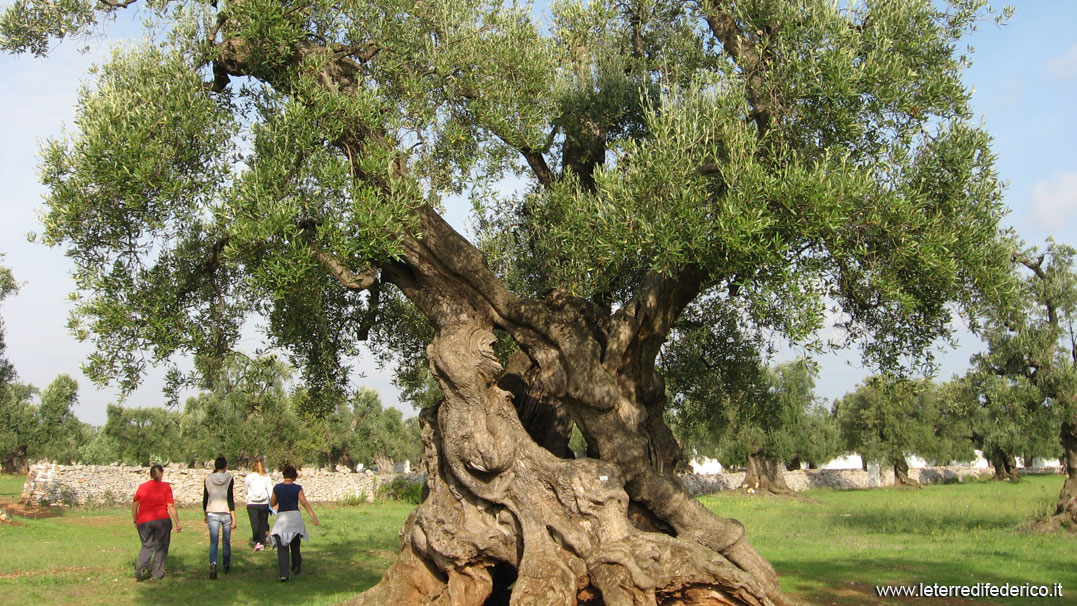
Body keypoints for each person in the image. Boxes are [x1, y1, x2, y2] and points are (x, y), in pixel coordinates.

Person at [269, 464, 319, 582]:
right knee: (295, 545)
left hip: (282, 518)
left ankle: (283, 574)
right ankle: (297, 567)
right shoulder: (297, 488)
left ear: (284, 475)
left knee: (282, 547)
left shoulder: (277, 488)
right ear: (294, 476)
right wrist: (313, 517)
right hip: (295, 518)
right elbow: (304, 502)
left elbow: (272, 503)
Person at [131, 464, 182, 581]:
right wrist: (177, 522)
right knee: (161, 546)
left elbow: (134, 507)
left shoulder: (142, 487)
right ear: (162, 474)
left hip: (143, 521)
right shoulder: (166, 488)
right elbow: (171, 506)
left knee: (147, 545)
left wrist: (135, 520)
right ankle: (157, 574)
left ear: (150, 474)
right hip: (161, 520)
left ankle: (141, 564)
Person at [203, 456, 237, 579]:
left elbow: (205, 497)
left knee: (214, 540)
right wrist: (234, 517)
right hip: (226, 511)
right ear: (225, 466)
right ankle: (227, 565)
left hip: (212, 511)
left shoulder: (208, 479)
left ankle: (213, 563)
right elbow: (230, 498)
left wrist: (205, 513)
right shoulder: (229, 479)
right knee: (226, 540)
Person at [244, 459, 273, 550]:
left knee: (255, 523)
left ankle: (257, 541)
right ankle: (263, 541)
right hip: (263, 503)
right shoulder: (266, 477)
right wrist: (273, 503)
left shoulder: (249, 477)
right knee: (263, 523)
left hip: (252, 503)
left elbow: (245, 489)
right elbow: (270, 491)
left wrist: (248, 495)